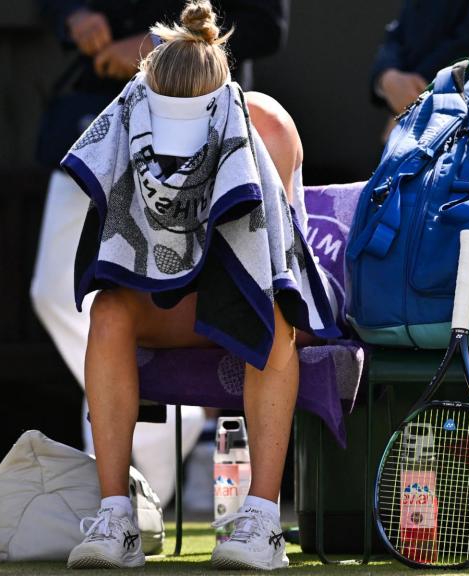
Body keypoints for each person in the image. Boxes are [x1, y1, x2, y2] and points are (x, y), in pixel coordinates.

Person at [61, 2, 337, 569]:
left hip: (259, 303)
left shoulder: (268, 127)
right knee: (110, 310)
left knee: (272, 305)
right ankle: (118, 515)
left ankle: (262, 518)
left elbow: (273, 266)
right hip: (178, 309)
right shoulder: (130, 120)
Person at [30, 0, 288, 506]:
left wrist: (163, 51)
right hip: (107, 115)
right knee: (69, 295)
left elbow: (264, 25)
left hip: (211, 119)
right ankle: (138, 459)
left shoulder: (262, 123)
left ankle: (174, 458)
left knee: (253, 294)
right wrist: (74, 15)